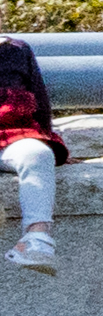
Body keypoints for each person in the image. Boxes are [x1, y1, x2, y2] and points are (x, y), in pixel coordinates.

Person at [1, 38, 56, 273]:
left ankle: (36, 240)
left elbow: (40, 104)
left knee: (38, 154)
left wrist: (48, 141)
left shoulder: (17, 50)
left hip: (12, 135)